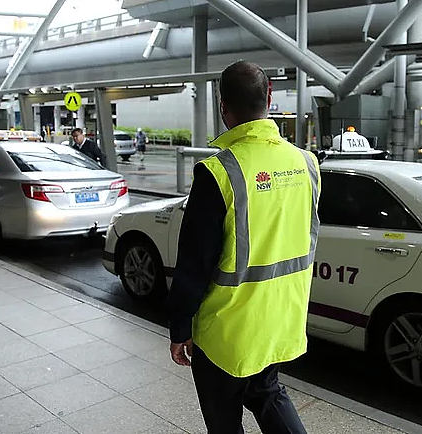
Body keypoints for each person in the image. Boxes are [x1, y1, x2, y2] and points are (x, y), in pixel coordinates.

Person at [166, 60, 321, 434]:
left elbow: (194, 264)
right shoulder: (306, 163)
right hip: (279, 320)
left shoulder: (217, 173)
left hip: (227, 331)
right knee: (268, 393)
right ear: (269, 97)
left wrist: (179, 328)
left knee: (224, 420)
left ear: (223, 108)